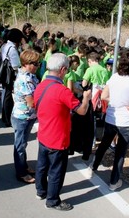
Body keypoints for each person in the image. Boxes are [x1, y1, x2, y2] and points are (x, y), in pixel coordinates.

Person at [34, 53, 91, 211]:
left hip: (44, 133)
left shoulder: (40, 85)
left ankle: (41, 190)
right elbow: (81, 111)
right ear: (63, 69)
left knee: (42, 165)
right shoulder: (62, 91)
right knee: (56, 171)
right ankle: (52, 200)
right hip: (58, 137)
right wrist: (86, 98)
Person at [91, 51, 129, 191]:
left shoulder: (114, 77)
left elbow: (104, 96)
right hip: (126, 120)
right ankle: (114, 182)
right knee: (120, 152)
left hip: (112, 117)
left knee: (104, 144)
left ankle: (93, 166)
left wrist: (115, 102)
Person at [11, 49, 40, 183]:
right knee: (20, 146)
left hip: (28, 116)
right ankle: (21, 172)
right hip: (22, 117)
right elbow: (31, 102)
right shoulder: (24, 79)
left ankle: (24, 166)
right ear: (26, 63)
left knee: (23, 144)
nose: (37, 66)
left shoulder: (30, 75)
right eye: (35, 63)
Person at [0, 28, 25, 127]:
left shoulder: (5, 45)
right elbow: (16, 65)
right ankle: (8, 119)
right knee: (9, 98)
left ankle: (4, 117)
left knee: (6, 95)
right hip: (10, 76)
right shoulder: (12, 49)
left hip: (5, 74)